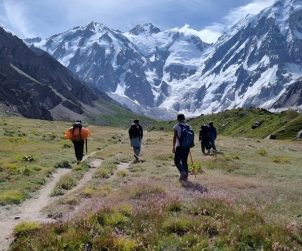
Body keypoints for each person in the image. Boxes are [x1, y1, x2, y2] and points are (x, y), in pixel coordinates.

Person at [172, 114, 194, 181]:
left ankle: (182, 172)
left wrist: (173, 147)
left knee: (176, 161)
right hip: (187, 147)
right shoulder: (189, 126)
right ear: (184, 118)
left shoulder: (176, 126)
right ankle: (185, 177)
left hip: (179, 146)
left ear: (178, 119)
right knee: (184, 161)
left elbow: (175, 137)